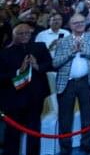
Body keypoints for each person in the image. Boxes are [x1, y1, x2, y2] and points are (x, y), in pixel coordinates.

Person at [0, 24, 52, 155]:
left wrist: (37, 65)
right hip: (14, 99)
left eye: (27, 33)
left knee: (34, 131)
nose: (24, 36)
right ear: (13, 35)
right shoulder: (4, 53)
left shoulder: (40, 47)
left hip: (36, 97)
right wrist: (18, 71)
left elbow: (50, 64)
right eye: (20, 34)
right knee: (12, 133)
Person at [53, 13, 90, 155]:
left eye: (82, 22)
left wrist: (83, 50)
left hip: (87, 82)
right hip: (67, 84)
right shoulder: (63, 41)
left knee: (87, 116)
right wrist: (71, 52)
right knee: (65, 118)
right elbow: (55, 63)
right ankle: (65, 148)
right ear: (70, 25)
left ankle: (86, 144)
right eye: (76, 23)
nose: (79, 25)